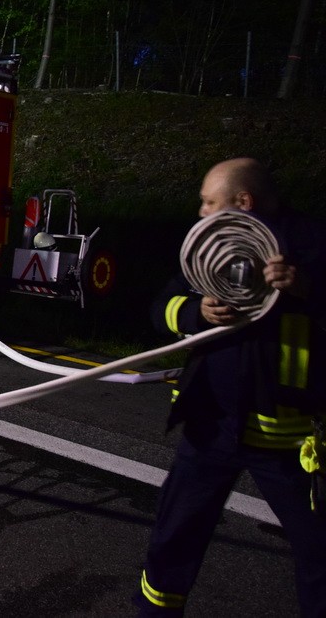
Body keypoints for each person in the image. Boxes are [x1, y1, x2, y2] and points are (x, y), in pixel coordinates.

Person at [136, 157, 326, 615]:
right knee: (173, 542)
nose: (201, 213)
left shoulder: (312, 243)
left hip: (287, 436)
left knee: (320, 553)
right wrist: (193, 312)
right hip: (209, 425)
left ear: (243, 202)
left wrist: (305, 289)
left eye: (208, 202)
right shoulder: (210, 246)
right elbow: (161, 305)